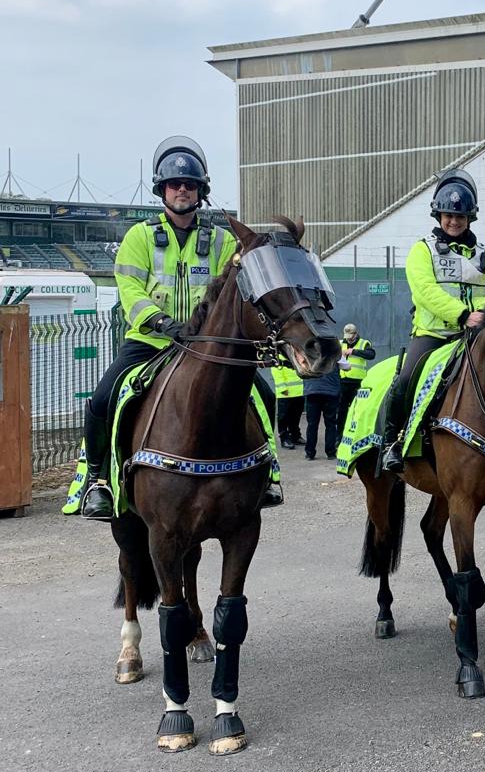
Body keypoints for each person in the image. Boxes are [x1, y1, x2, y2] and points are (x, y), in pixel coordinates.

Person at [76, 136, 281, 519]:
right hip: (151, 341)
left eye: (190, 184)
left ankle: (267, 473)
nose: (182, 189)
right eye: (174, 184)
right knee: (104, 399)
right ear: (162, 189)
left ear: (201, 191)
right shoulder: (139, 236)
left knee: (263, 397)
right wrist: (161, 322)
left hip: (207, 346)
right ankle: (98, 480)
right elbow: (129, 288)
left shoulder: (221, 240)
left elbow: (230, 291)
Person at [381, 168, 485, 473]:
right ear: (438, 215)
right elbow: (425, 291)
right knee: (405, 380)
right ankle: (392, 442)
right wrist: (463, 314)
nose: (454, 221)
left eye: (460, 216)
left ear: (470, 218)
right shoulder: (421, 250)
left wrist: (481, 314)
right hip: (434, 335)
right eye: (448, 215)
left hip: (477, 335)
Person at [337, 322, 375, 442]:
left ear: (355, 334)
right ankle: (340, 435)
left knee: (357, 411)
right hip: (342, 382)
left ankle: (356, 434)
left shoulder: (364, 343)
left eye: (351, 336)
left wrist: (353, 351)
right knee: (341, 411)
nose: (349, 339)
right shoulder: (340, 343)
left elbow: (371, 355)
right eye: (347, 336)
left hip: (358, 383)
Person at [303, 364, 341, 460]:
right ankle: (331, 452)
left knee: (312, 424)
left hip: (312, 391)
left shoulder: (308, 353)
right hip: (330, 391)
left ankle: (310, 453)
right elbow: (346, 367)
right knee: (330, 424)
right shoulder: (333, 352)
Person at [272, 353, 304, 449]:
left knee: (296, 415)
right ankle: (284, 438)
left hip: (299, 391)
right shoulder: (278, 357)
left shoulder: (297, 355)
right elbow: (276, 373)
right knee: (283, 417)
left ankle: (295, 436)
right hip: (285, 393)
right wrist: (282, 388)